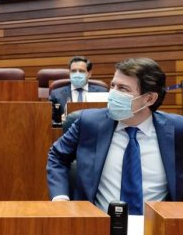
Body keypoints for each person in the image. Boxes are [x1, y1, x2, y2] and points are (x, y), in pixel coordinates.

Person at [47, 58, 183, 215]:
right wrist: (60, 199)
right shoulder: (88, 123)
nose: (113, 94)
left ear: (149, 98)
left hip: (157, 228)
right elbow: (57, 156)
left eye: (123, 89)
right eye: (112, 86)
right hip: (98, 224)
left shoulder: (177, 129)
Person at [49, 56, 107, 123]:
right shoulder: (56, 94)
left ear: (89, 73)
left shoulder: (101, 92)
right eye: (73, 71)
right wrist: (60, 122)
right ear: (69, 73)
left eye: (81, 71)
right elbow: (49, 119)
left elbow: (107, 117)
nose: (77, 74)